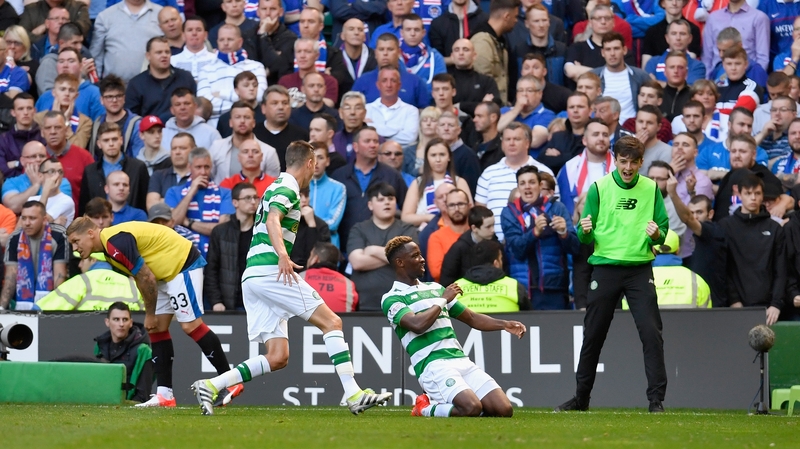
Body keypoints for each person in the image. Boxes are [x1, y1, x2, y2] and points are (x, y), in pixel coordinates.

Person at [191, 141, 392, 415]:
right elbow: (274, 219)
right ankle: (353, 393)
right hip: (272, 271)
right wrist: (283, 255)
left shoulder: (275, 185)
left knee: (278, 357)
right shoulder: (288, 188)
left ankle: (213, 385)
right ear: (310, 163)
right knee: (332, 322)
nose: (314, 171)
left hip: (253, 275)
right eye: (315, 164)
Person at [67, 217, 241, 408]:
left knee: (191, 326)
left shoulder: (115, 242)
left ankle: (230, 381)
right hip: (163, 274)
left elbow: (146, 277)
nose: (75, 248)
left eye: (76, 241)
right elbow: (141, 277)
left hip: (181, 264)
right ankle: (165, 395)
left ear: (91, 233)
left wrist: (149, 313)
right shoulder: (109, 249)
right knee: (157, 329)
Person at [555, 136, 669, 413]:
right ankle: (581, 399)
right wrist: (583, 229)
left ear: (641, 162)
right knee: (593, 335)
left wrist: (657, 234)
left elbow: (662, 229)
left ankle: (656, 401)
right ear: (614, 160)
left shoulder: (651, 188)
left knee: (651, 334)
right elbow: (585, 237)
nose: (628, 168)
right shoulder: (599, 188)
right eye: (623, 161)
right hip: (605, 268)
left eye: (633, 162)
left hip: (639, 269)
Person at [381, 235, 526, 417]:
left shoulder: (434, 288)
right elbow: (417, 325)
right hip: (433, 365)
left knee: (504, 410)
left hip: (461, 360)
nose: (422, 259)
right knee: (471, 408)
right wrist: (443, 300)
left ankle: (454, 408)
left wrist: (504, 324)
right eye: (416, 255)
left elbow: (472, 318)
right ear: (400, 262)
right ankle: (424, 408)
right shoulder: (392, 298)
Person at [501, 165, 578, 309]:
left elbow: (575, 248)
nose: (527, 187)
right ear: (518, 187)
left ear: (540, 185)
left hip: (554, 287)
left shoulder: (557, 208)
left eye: (532, 182)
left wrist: (563, 233)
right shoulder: (509, 212)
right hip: (522, 288)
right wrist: (535, 232)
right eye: (522, 183)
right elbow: (517, 249)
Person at [718, 174, 785, 325]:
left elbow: (781, 269)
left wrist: (776, 304)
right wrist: (734, 300)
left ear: (763, 195)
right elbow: (724, 268)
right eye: (748, 193)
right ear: (739, 194)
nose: (753, 198)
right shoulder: (725, 226)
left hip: (769, 309)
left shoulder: (774, 228)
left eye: (757, 193)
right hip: (736, 306)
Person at [332, 126, 408, 253]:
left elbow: (407, 210)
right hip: (345, 247)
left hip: (382, 247)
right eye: (367, 141)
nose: (373, 145)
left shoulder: (392, 175)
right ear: (355, 147)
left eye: (376, 141)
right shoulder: (339, 176)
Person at [475, 122, 553, 240]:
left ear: (527, 143)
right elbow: (479, 214)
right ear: (502, 143)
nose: (511, 143)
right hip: (495, 244)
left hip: (536, 244)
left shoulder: (544, 172)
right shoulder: (488, 174)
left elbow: (554, 208)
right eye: (507, 139)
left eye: (516, 139)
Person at [348, 182, 418, 309]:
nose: (387, 202)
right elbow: (357, 262)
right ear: (370, 205)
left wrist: (373, 250)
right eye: (381, 199)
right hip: (365, 304)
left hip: (404, 303)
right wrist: (397, 256)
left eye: (390, 199)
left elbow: (410, 261)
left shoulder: (407, 228)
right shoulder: (359, 229)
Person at [665, 174, 727, 308]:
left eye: (699, 212)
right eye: (692, 212)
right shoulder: (700, 232)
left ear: (710, 214)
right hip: (698, 299)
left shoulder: (713, 231)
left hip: (714, 303)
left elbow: (688, 219)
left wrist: (672, 193)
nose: (695, 217)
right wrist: (691, 192)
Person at [165, 147, 235, 257]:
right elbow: (173, 222)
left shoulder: (225, 193)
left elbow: (222, 231)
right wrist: (191, 192)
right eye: (198, 167)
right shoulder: (173, 192)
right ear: (189, 167)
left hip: (215, 257)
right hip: (184, 256)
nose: (203, 172)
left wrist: (189, 223)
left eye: (206, 167)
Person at [0, 200, 68, 310]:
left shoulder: (58, 235)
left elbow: (59, 277)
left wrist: (55, 310)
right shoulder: (14, 238)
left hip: (50, 300)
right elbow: (10, 278)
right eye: (24, 218)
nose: (27, 223)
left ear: (44, 220)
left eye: (32, 218)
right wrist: (1, 308)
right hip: (21, 300)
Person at [197, 24, 267, 128]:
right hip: (215, 126)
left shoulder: (256, 67)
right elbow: (204, 104)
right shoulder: (206, 70)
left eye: (230, 39)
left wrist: (221, 94)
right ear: (217, 42)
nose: (225, 43)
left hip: (250, 123)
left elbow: (260, 96)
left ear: (240, 42)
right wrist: (244, 99)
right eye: (221, 40)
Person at [204, 182, 257, 312]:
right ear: (235, 203)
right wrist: (216, 301)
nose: (253, 202)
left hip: (257, 302)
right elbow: (211, 269)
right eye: (247, 198)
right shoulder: (220, 232)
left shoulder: (263, 231)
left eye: (256, 197)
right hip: (228, 303)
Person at [402, 138, 472, 227]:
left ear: (449, 157)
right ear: (427, 158)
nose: (438, 159)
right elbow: (406, 217)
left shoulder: (459, 182)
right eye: (433, 155)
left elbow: (470, 212)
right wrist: (430, 218)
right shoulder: (418, 183)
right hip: (426, 232)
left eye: (442, 155)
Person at [36, 252, 144, 311]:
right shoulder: (131, 284)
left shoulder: (81, 281)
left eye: (83, 260)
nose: (79, 265)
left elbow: (41, 308)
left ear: (93, 259)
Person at [125, 37, 197, 122]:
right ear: (148, 56)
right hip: (151, 132)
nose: (164, 55)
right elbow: (132, 119)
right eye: (159, 52)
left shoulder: (185, 77)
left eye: (167, 52)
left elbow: (196, 107)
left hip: (184, 130)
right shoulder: (136, 84)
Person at [352, 33, 431, 109]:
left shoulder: (415, 82)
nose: (385, 53)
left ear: (399, 53)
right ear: (375, 53)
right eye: (381, 49)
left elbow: (424, 112)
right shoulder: (363, 81)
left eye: (390, 49)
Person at [92, 302, 152, 403]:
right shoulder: (99, 346)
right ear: (107, 322)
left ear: (131, 322)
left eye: (125, 319)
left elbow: (143, 395)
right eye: (116, 319)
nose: (121, 324)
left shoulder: (143, 351)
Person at [90, 0, 164, 82]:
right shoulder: (105, 16)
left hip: (154, 85)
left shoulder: (161, 14)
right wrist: (96, 85)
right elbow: (96, 56)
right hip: (115, 89)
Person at [210, 102, 280, 184]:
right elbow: (209, 177)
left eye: (247, 117)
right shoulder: (217, 147)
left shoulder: (268, 152)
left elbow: (273, 186)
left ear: (253, 123)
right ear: (230, 122)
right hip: (224, 195)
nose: (242, 121)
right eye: (237, 117)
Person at [556, 118, 613, 218]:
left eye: (605, 135)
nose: (601, 138)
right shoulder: (569, 168)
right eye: (595, 134)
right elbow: (566, 208)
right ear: (584, 140)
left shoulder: (621, 167)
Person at [455, 239, 530, 312]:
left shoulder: (456, 287)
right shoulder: (514, 286)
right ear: (496, 263)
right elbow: (530, 316)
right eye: (500, 259)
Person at [40, 110, 94, 208]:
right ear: (42, 132)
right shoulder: (36, 157)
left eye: (58, 127)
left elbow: (93, 194)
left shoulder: (84, 157)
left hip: (77, 221)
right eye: (48, 128)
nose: (53, 132)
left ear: (66, 130)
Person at [701, 0, 770, 75]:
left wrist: (754, 82)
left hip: (747, 76)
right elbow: (707, 57)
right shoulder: (713, 18)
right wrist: (708, 81)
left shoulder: (759, 18)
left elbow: (763, 58)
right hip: (717, 78)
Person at [469, 0, 518, 104]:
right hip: (488, 109)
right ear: (507, 16)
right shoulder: (482, 41)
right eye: (515, 16)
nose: (516, 21)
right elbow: (482, 82)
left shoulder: (498, 41)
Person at [253, 85, 310, 171]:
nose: (281, 107)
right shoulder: (253, 134)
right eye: (275, 103)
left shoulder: (301, 136)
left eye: (285, 103)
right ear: (263, 108)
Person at [439, 205, 495, 286]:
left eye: (493, 225)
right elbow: (447, 279)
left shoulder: (496, 245)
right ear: (474, 228)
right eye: (488, 227)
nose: (493, 230)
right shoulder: (458, 249)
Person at [539, 92, 593, 174]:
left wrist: (560, 156)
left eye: (580, 107)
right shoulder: (557, 136)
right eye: (571, 107)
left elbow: (586, 161)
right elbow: (542, 160)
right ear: (567, 111)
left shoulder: (596, 136)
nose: (575, 110)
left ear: (590, 111)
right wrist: (571, 156)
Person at [90, 75, 144, 159]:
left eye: (118, 96)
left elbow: (139, 159)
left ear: (124, 98)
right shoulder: (96, 124)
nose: (114, 100)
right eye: (109, 97)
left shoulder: (136, 124)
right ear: (101, 100)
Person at [365, 66, 419, 147]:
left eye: (393, 81)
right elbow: (363, 137)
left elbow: (410, 138)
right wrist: (397, 131)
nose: (389, 85)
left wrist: (373, 127)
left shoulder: (411, 111)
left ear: (399, 85)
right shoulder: (366, 109)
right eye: (384, 80)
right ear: (378, 85)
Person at [34, 72, 91, 149]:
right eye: (62, 89)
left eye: (71, 90)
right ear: (54, 93)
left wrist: (65, 122)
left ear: (76, 95)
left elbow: (78, 149)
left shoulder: (85, 121)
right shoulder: (39, 118)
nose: (67, 94)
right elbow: (39, 147)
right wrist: (55, 119)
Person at [447, 39, 501, 117]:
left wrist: (460, 105)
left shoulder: (487, 81)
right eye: (457, 50)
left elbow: (493, 107)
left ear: (474, 55)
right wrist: (481, 104)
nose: (461, 53)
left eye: (466, 50)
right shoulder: (446, 82)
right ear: (452, 56)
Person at [426, 188, 472, 282]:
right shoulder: (436, 237)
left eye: (460, 204)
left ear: (469, 206)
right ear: (446, 208)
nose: (456, 209)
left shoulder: (478, 233)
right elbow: (437, 272)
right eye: (451, 205)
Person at [299, 242, 358, 313]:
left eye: (310, 256)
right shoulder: (348, 284)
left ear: (315, 259)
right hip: (341, 323)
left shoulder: (299, 278)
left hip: (302, 323)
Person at [643, 20, 705, 88]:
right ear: (667, 38)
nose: (678, 38)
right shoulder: (653, 62)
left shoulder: (697, 66)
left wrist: (659, 84)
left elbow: (690, 91)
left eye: (682, 34)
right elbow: (649, 89)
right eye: (674, 33)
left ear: (690, 39)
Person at [641, 0, 702, 68]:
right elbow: (646, 66)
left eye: (678, 0)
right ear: (663, 3)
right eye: (670, 0)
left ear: (684, 2)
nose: (674, 3)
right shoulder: (652, 32)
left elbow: (691, 62)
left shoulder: (693, 30)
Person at [497, 76, 553, 150]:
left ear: (540, 94)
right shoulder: (505, 111)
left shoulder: (547, 115)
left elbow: (534, 141)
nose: (524, 94)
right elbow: (495, 130)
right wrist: (516, 110)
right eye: (520, 90)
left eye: (529, 91)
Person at [309, 144, 346, 248]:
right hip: (303, 246)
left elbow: (333, 223)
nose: (316, 162)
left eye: (320, 157)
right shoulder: (297, 186)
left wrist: (308, 222)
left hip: (329, 248)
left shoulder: (338, 188)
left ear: (328, 161)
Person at [0, 93, 45, 179]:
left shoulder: (43, 135)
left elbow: (47, 165)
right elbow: (3, 169)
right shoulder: (3, 139)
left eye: (29, 108)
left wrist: (16, 164)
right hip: (12, 187)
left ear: (34, 111)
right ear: (13, 112)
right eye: (20, 109)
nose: (25, 112)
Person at [254, 0, 298, 86]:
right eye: (264, 9)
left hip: (277, 88)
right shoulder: (248, 36)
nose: (267, 13)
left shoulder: (290, 38)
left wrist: (263, 35)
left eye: (273, 9)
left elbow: (278, 67)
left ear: (281, 12)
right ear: (258, 12)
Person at [436, 111, 481, 193]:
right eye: (442, 125)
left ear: (459, 130)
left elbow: (472, 189)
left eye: (451, 125)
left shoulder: (468, 155)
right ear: (437, 130)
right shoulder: (434, 153)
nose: (446, 128)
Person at [332, 18, 378, 99]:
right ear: (342, 36)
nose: (356, 33)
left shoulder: (375, 57)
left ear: (364, 37)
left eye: (360, 30)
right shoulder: (333, 57)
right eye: (351, 29)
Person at [399, 14, 446, 88]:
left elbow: (440, 88)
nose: (412, 34)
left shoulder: (435, 57)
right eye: (408, 29)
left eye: (416, 30)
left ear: (423, 33)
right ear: (401, 33)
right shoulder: (393, 56)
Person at [216, 71, 267, 138]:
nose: (252, 88)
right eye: (246, 85)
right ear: (236, 90)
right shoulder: (225, 119)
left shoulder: (266, 115)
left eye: (255, 85)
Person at [28, 156, 74, 226]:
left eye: (60, 172)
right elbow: (19, 229)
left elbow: (37, 223)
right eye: (51, 171)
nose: (57, 175)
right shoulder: (32, 199)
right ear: (40, 176)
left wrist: (46, 190)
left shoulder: (66, 201)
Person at [19, 0, 89, 43]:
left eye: (64, 19)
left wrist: (45, 27)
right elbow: (21, 36)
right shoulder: (31, 10)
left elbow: (82, 28)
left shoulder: (79, 7)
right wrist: (46, 42)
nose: (60, 22)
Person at [635, 105, 673, 174]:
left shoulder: (666, 151)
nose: (644, 126)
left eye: (649, 123)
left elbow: (659, 181)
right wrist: (634, 150)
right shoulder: (625, 147)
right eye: (640, 121)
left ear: (658, 127)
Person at [472, 101, 502, 170]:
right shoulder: (474, 147)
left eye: (479, 116)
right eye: (475, 116)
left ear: (493, 117)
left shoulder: (503, 148)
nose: (474, 120)